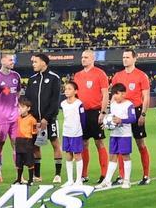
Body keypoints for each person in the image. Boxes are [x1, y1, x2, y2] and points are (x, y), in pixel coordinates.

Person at [110, 49, 152, 185]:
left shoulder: (141, 76)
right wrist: (110, 113)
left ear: (135, 59)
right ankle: (122, 176)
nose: (125, 59)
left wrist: (143, 114)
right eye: (123, 57)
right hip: (120, 112)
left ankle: (146, 175)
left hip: (136, 111)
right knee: (121, 146)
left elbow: (146, 96)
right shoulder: (117, 76)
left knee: (140, 144)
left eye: (128, 57)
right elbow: (113, 96)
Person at [24, 53, 63, 183]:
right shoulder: (32, 79)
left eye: (35, 62)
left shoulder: (54, 78)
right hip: (34, 120)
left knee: (55, 143)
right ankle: (37, 175)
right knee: (36, 146)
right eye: (33, 62)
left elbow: (55, 101)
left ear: (43, 63)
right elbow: (28, 100)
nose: (33, 64)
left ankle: (57, 174)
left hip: (50, 119)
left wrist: (46, 118)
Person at [73, 49, 110, 184]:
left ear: (93, 59)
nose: (83, 59)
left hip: (95, 112)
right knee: (83, 143)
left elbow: (105, 94)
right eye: (82, 57)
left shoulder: (100, 74)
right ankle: (84, 174)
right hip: (81, 113)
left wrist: (103, 112)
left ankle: (104, 174)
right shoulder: (77, 75)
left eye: (86, 57)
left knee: (99, 142)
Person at [95, 83, 138, 190]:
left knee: (125, 156)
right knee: (112, 157)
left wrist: (121, 120)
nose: (115, 96)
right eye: (113, 94)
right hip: (114, 134)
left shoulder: (129, 104)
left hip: (125, 135)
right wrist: (107, 124)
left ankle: (127, 180)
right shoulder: (113, 104)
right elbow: (110, 117)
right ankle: (107, 181)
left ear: (123, 94)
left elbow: (133, 118)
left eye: (117, 94)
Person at [58, 81, 85, 188]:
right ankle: (70, 180)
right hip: (66, 132)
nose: (67, 91)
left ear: (75, 91)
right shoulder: (63, 104)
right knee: (68, 154)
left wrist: (82, 131)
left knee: (77, 155)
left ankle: (79, 180)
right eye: (65, 89)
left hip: (76, 132)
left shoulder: (79, 104)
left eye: (69, 89)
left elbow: (83, 120)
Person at [13, 98, 39, 186]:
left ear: (28, 108)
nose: (20, 109)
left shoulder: (32, 120)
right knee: (19, 162)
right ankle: (18, 179)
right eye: (19, 107)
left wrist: (31, 143)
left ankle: (31, 179)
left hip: (27, 142)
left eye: (22, 107)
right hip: (19, 141)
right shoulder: (17, 118)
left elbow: (35, 133)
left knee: (29, 162)